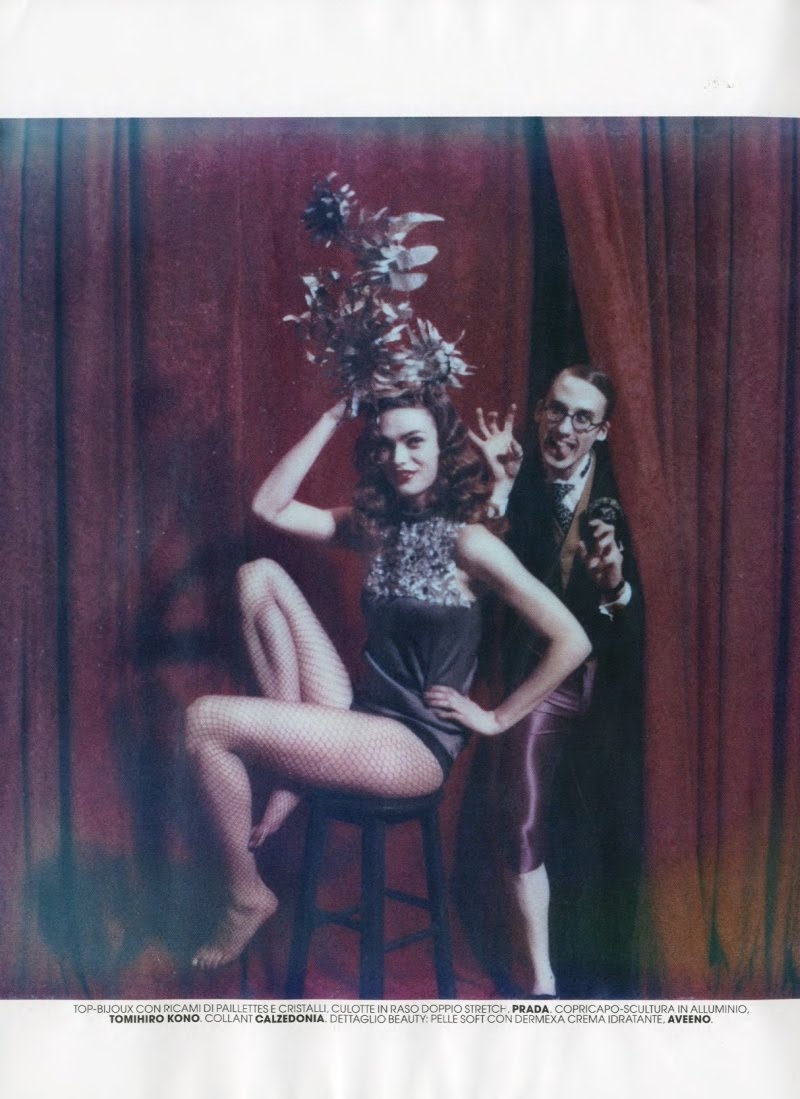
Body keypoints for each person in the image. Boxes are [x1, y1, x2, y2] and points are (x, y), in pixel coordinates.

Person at [185, 384, 591, 972]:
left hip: (414, 744)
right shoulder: (374, 526)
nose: (400, 458)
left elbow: (572, 639)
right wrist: (333, 413)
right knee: (258, 575)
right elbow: (270, 507)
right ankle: (291, 773)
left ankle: (246, 894)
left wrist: (496, 718)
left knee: (205, 720)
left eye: (415, 442)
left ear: (443, 446)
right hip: (361, 715)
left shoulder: (471, 542)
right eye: (386, 444)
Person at [467, 365, 644, 997]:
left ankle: (600, 979)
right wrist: (499, 489)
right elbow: (474, 578)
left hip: (610, 690)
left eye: (581, 418)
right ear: (540, 411)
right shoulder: (514, 479)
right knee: (523, 822)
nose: (564, 429)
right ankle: (543, 986)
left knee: (604, 831)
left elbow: (637, 626)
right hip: (542, 681)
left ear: (603, 430)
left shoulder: (629, 495)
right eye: (556, 410)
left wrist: (614, 587)